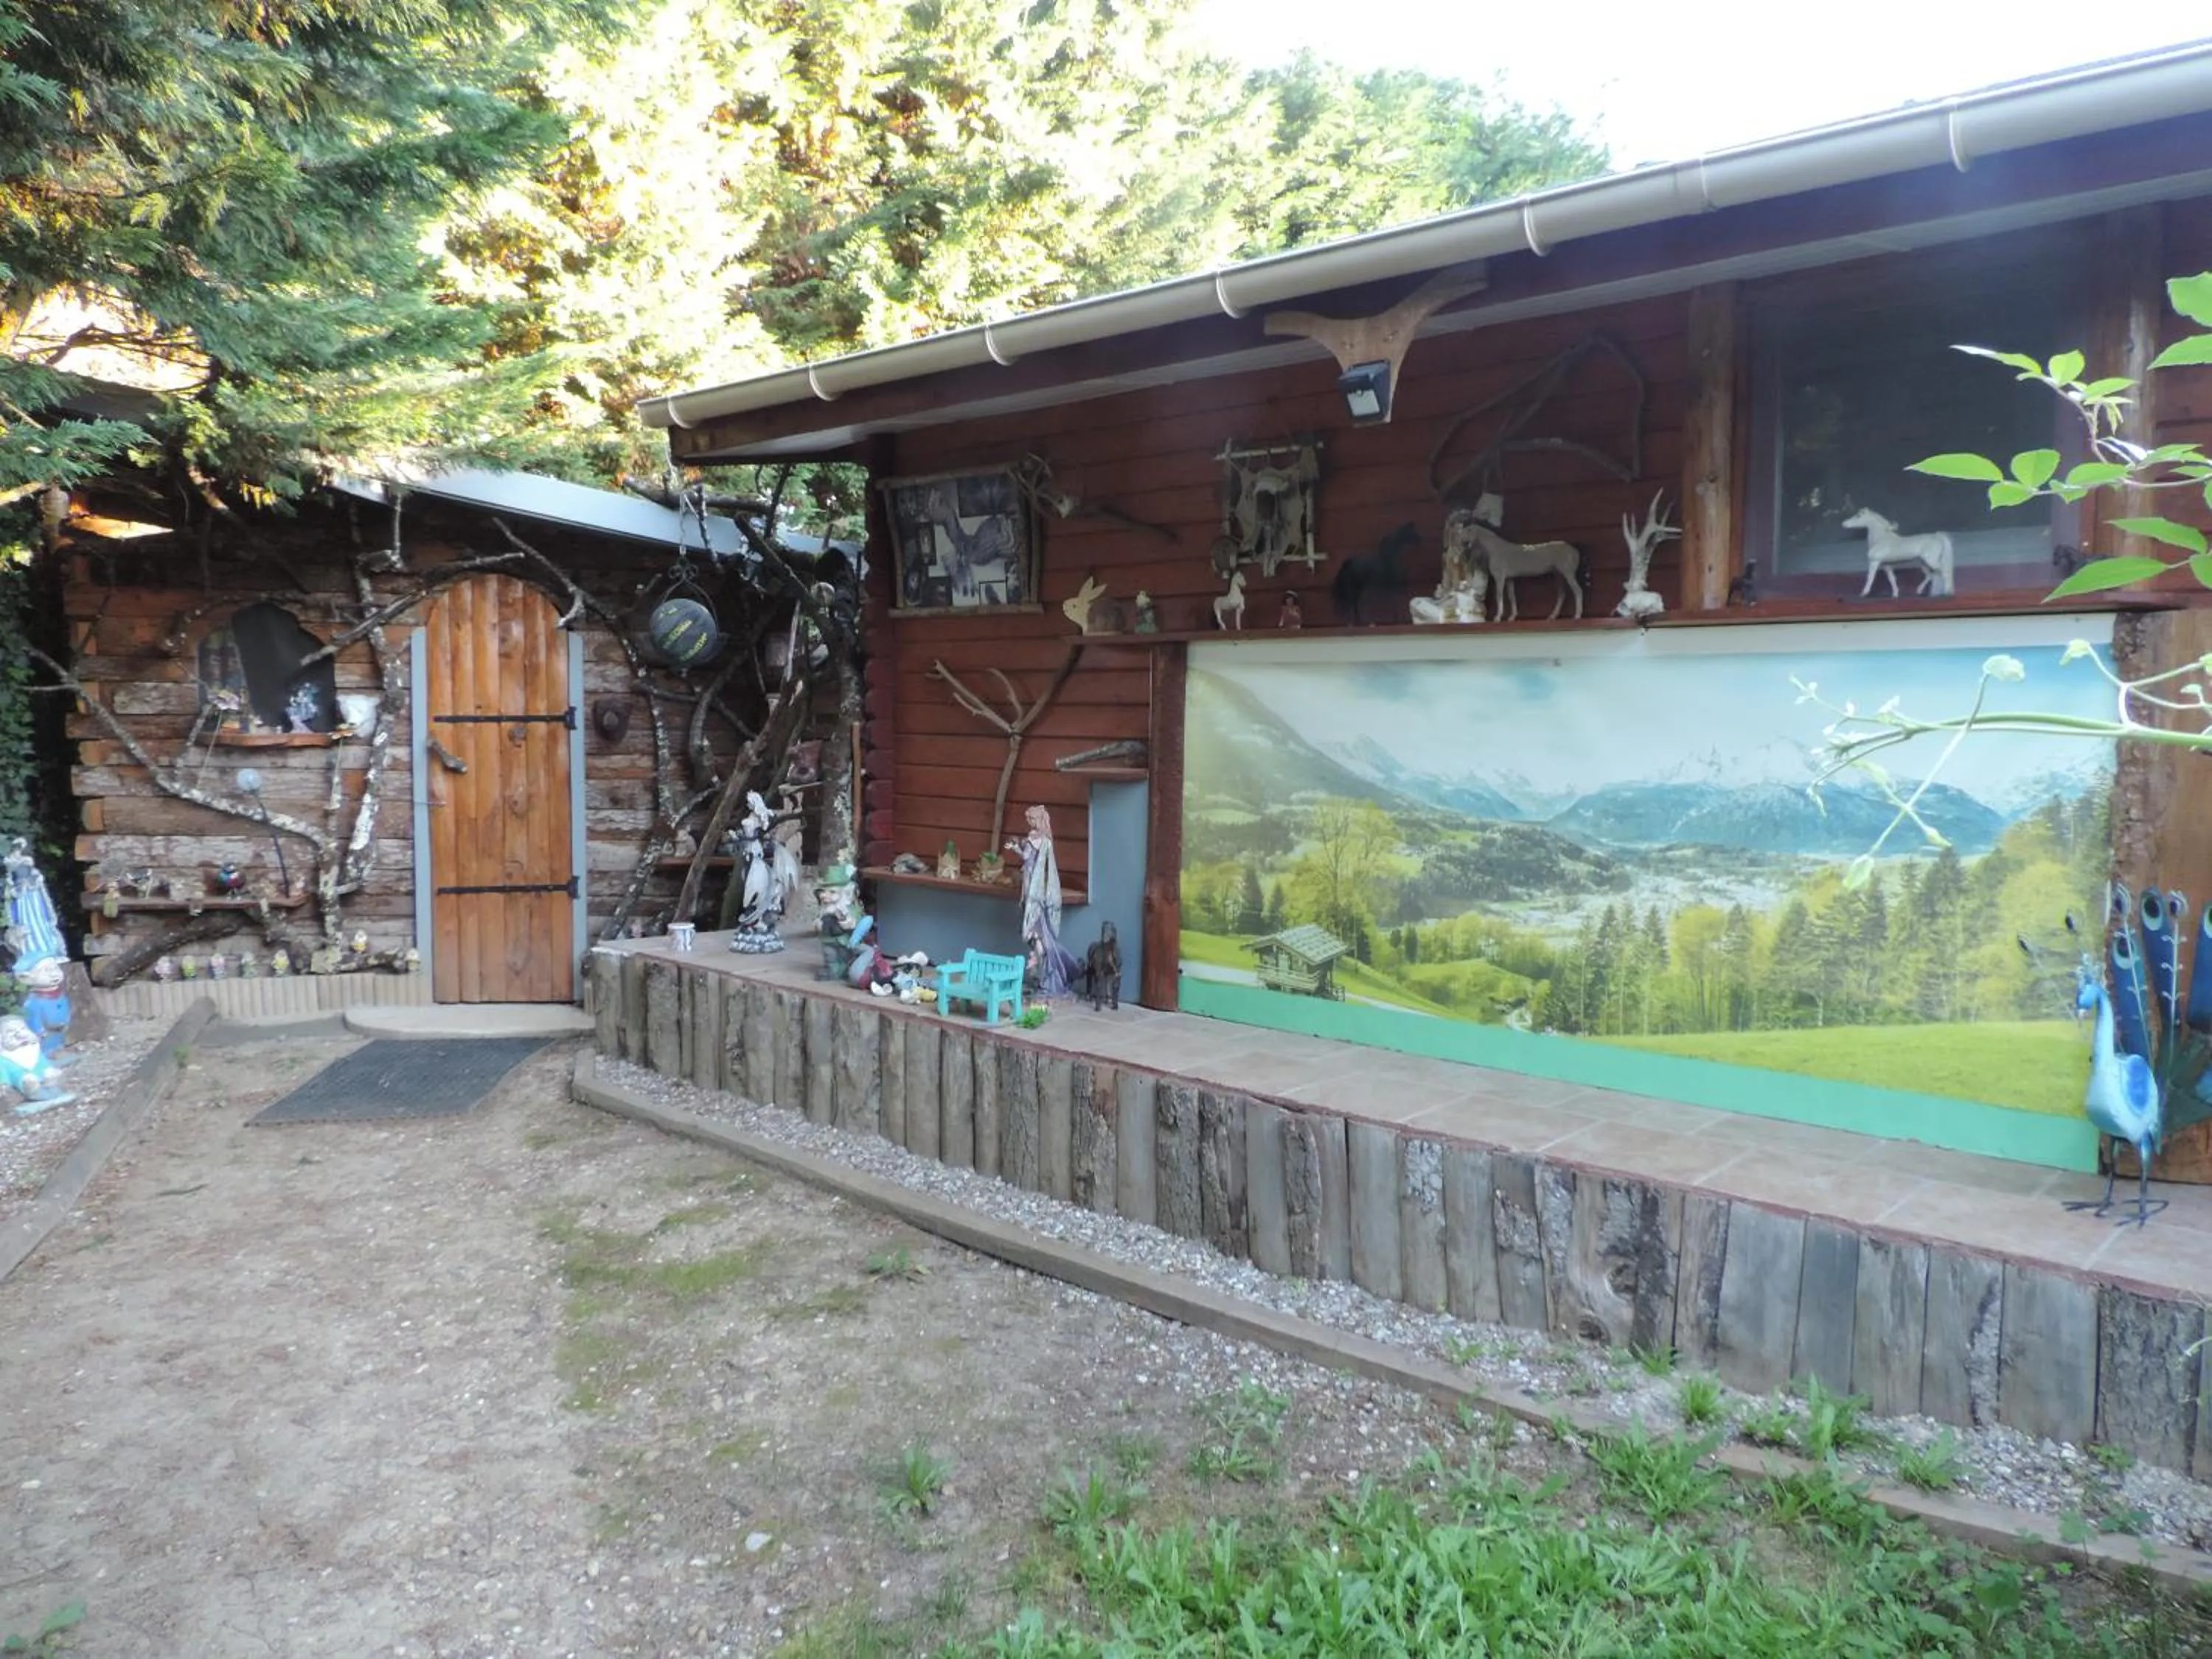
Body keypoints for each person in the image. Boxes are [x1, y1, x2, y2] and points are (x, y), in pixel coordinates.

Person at [1006, 804, 1079, 998]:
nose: (1029, 822)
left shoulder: (1035, 839)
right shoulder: (1046, 840)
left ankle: (1043, 968)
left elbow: (1027, 859)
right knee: (1037, 934)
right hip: (1037, 889)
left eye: (1031, 819)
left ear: (1038, 820)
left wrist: (1015, 848)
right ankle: (1043, 968)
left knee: (1034, 933)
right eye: (1028, 819)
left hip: (1034, 889)